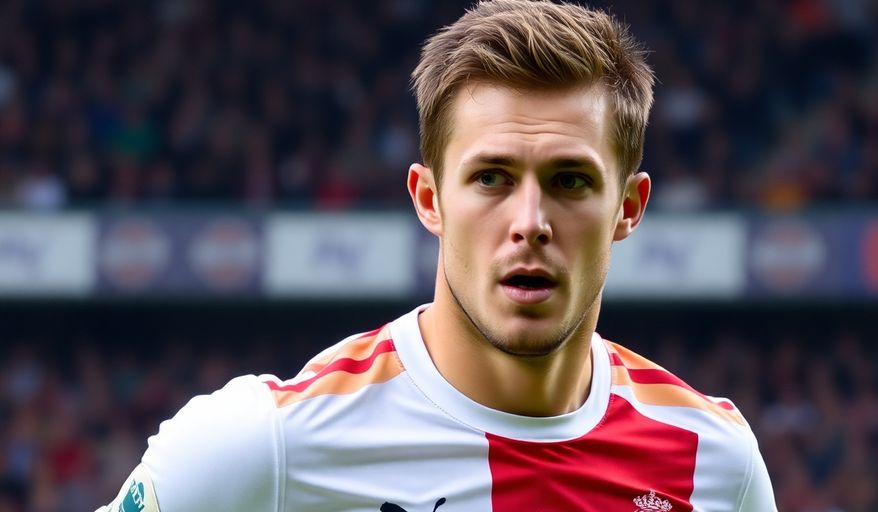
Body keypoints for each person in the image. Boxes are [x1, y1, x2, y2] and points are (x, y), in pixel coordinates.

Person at [98, 1, 776, 510]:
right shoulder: (258, 445)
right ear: (429, 199)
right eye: (491, 178)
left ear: (628, 208)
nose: (530, 223)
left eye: (571, 180)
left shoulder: (715, 460)